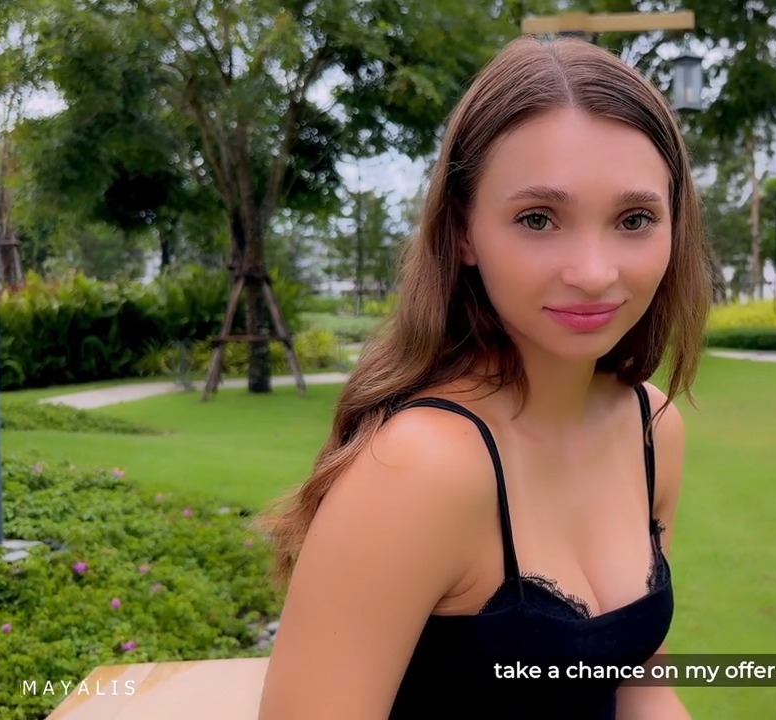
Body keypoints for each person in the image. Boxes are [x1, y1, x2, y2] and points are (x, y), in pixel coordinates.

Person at [253, 33, 712, 720]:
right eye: (538, 219)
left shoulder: (652, 429)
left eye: (635, 218)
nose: (594, 272)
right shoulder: (418, 469)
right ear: (464, 232)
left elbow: (642, 685)